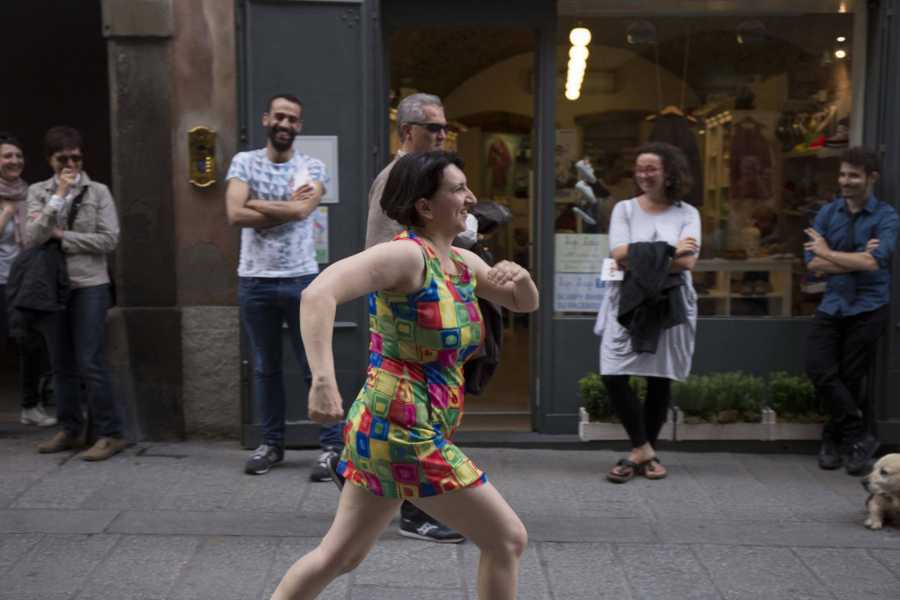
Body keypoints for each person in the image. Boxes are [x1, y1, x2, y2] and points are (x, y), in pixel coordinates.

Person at [271, 151, 537, 600]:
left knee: (340, 556)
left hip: (402, 427)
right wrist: (322, 380)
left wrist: (523, 277)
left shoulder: (462, 264)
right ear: (425, 206)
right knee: (507, 539)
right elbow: (318, 293)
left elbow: (521, 304)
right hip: (400, 430)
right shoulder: (404, 256)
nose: (471, 198)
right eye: (457, 189)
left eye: (468, 187)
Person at [354, 93, 468, 543]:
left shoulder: (425, 176)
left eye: (444, 128)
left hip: (428, 318)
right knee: (410, 416)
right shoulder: (397, 178)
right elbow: (386, 252)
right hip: (408, 320)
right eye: (433, 128)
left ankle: (363, 473)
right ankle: (415, 509)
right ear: (406, 132)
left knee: (413, 414)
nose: (442, 135)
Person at [225, 93, 333, 475]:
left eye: (292, 119)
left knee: (314, 365)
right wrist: (281, 210)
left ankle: (332, 447)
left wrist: (256, 203)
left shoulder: (312, 168)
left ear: (299, 127)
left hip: (301, 278)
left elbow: (304, 210)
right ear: (266, 119)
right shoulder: (244, 162)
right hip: (254, 279)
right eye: (279, 117)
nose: (285, 124)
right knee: (265, 367)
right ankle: (271, 444)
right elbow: (234, 214)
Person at [596, 142, 701, 483]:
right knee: (613, 373)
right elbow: (618, 254)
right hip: (628, 300)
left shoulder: (688, 213)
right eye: (639, 169)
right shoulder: (625, 209)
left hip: (670, 303)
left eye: (651, 168)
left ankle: (642, 453)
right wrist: (669, 250)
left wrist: (643, 256)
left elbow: (688, 263)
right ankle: (644, 450)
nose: (643, 175)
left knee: (659, 378)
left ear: (669, 173)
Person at [26, 126, 125, 460]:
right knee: (60, 363)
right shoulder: (39, 193)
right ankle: (70, 429)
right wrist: (57, 199)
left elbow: (109, 239)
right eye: (63, 158)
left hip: (90, 285)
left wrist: (63, 237)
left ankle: (110, 433)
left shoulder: (99, 192)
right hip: (52, 288)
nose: (71, 163)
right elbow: (33, 237)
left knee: (90, 361)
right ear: (50, 159)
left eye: (76, 157)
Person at [804, 146, 898, 475]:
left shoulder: (886, 217)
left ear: (871, 178)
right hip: (834, 304)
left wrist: (830, 253)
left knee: (850, 377)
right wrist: (854, 259)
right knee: (818, 368)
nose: (846, 181)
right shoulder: (827, 214)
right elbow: (814, 266)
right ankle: (859, 434)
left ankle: (833, 441)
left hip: (869, 307)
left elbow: (875, 262)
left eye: (853, 175)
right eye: (843, 174)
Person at [0, 133, 55, 427]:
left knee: (31, 343)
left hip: (24, 279)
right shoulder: (8, 200)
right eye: (7, 156)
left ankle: (30, 406)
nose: (14, 161)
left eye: (18, 156)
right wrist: (7, 212)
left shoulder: (29, 191)